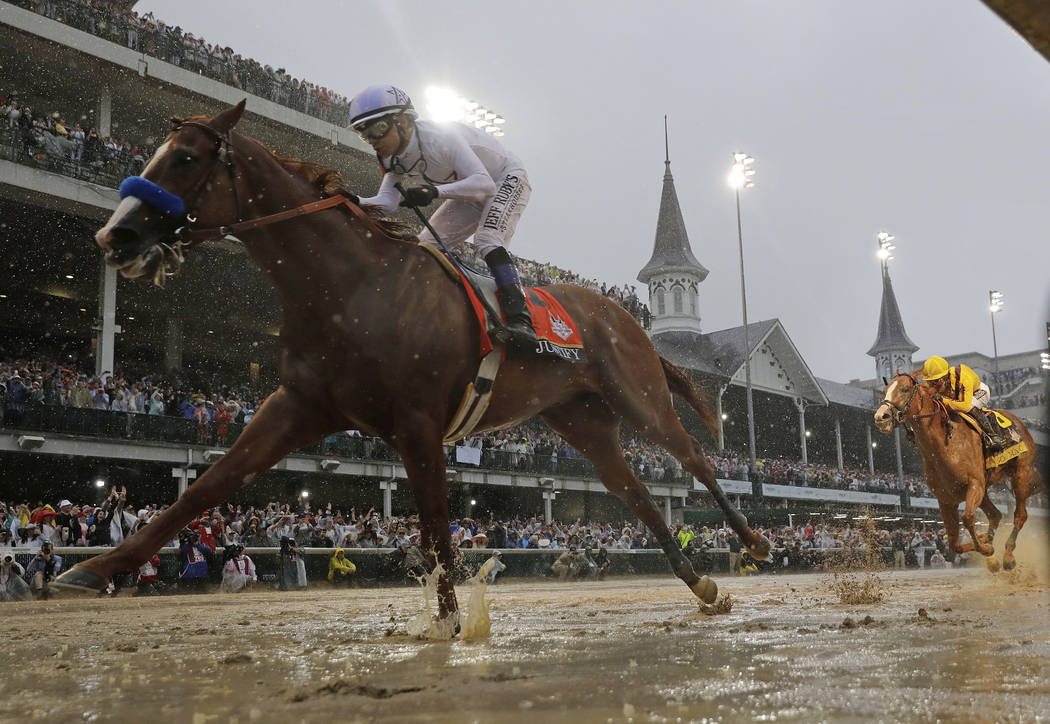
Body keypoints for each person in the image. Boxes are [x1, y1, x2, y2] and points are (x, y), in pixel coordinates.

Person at [348, 83, 537, 347]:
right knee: (426, 248)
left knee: (487, 239)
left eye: (377, 130)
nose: (373, 142)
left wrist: (433, 191)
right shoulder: (391, 159)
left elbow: (484, 185)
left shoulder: (441, 137)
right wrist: (352, 201)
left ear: (402, 121)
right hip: (469, 186)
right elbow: (386, 204)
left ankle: (521, 319)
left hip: (504, 177)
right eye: (365, 135)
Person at [921, 356, 1002, 446]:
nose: (934, 386)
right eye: (930, 382)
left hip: (978, 392)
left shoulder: (963, 378)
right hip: (958, 396)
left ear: (946, 376)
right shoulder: (939, 382)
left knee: (970, 406)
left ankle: (992, 435)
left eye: (936, 381)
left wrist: (943, 400)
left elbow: (965, 406)